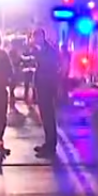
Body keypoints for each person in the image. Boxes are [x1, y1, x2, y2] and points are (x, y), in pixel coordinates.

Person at [29, 28, 61, 158]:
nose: (34, 40)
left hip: (47, 88)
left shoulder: (48, 51)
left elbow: (49, 69)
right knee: (45, 117)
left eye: (35, 38)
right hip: (41, 88)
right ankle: (48, 143)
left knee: (49, 117)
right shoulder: (41, 50)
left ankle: (51, 145)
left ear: (41, 37)